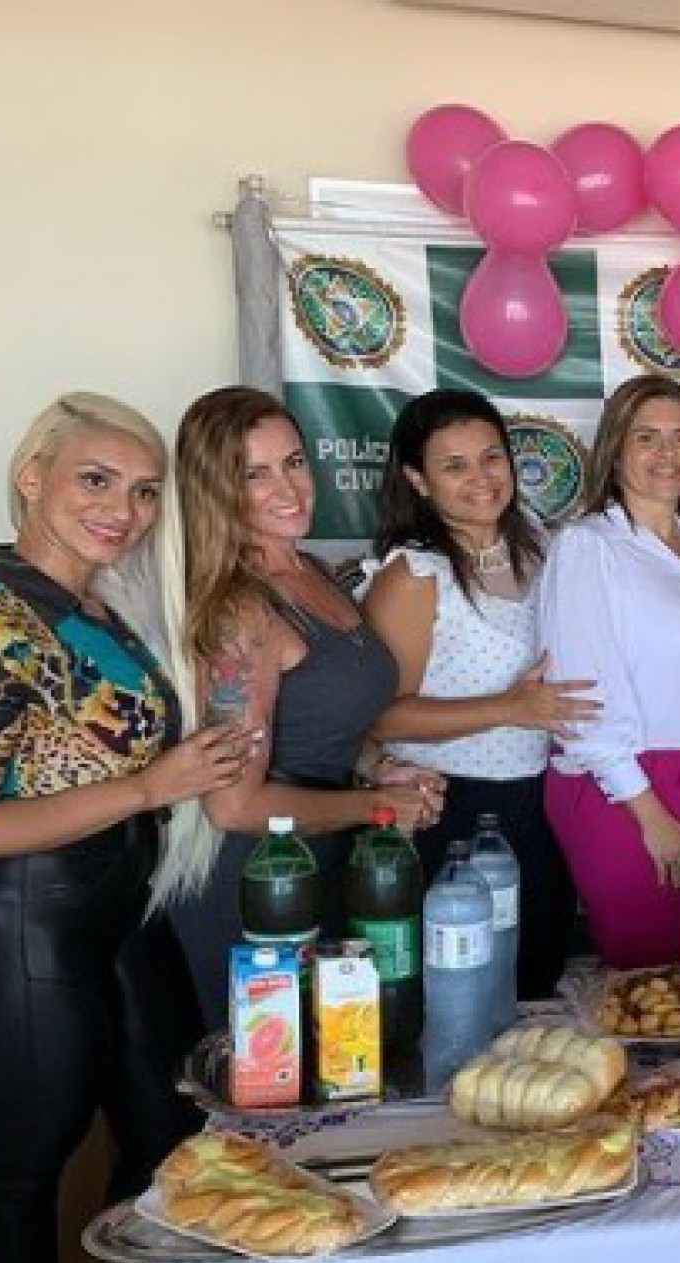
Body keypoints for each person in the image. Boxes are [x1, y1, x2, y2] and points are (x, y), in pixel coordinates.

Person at [0, 395, 251, 1263]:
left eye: (142, 491)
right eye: (97, 480)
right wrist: (148, 787)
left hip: (123, 910)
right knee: (19, 1175)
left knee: (170, 1132)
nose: (123, 510)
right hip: (27, 922)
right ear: (31, 477)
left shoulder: (98, 610)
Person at [159, 386, 443, 1029]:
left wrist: (379, 768)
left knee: (343, 1069)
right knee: (278, 1096)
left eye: (293, 461)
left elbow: (324, 715)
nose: (288, 488)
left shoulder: (311, 568)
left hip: (328, 860)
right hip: (259, 887)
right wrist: (375, 808)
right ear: (213, 489)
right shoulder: (240, 611)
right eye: (253, 474)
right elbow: (233, 804)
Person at [363, 388, 599, 999]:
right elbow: (382, 718)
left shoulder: (544, 547)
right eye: (454, 465)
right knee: (464, 995)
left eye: (491, 457)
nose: (481, 478)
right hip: (452, 813)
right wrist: (510, 708)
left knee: (538, 977)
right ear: (418, 480)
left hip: (543, 801)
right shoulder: (414, 577)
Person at [539, 376, 680, 968]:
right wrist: (649, 811)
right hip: (627, 782)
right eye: (647, 437)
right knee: (643, 973)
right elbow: (581, 698)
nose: (668, 453)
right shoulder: (588, 547)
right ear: (615, 449)